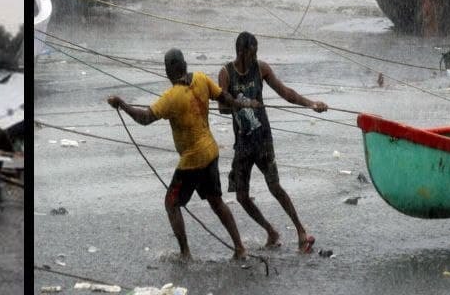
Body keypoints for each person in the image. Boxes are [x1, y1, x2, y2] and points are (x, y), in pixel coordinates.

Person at [106, 48, 256, 260]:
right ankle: (240, 247)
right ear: (184, 64)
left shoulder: (171, 97)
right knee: (216, 202)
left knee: (171, 204)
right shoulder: (202, 79)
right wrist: (241, 104)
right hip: (211, 152)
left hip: (192, 161)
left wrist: (122, 104)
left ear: (169, 70)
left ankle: (185, 253)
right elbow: (224, 96)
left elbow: (145, 118)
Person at [218, 31, 328, 254]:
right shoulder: (226, 73)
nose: (255, 57)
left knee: (275, 187)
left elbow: (286, 93)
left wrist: (311, 104)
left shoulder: (261, 68)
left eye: (257, 52)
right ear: (241, 52)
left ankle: (300, 231)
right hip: (242, 143)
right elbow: (221, 107)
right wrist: (245, 103)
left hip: (263, 140)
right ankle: (271, 231)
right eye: (252, 52)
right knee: (241, 196)